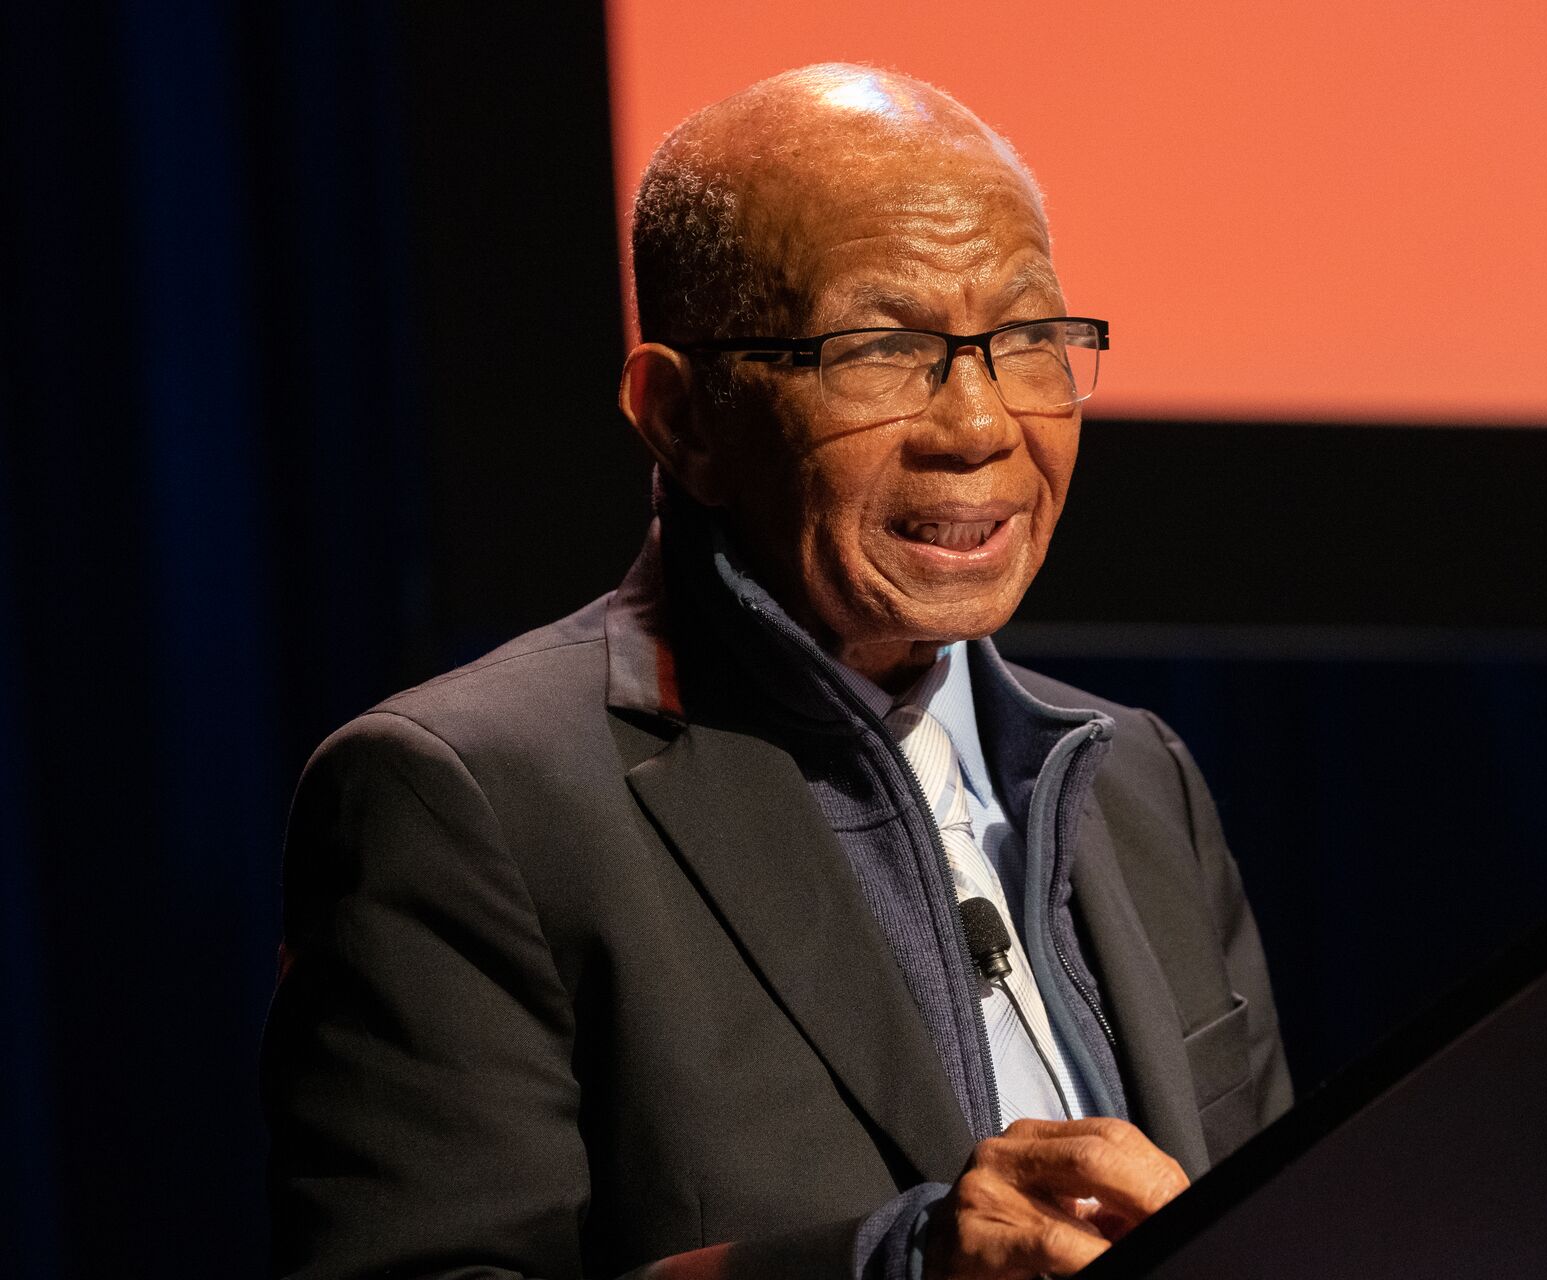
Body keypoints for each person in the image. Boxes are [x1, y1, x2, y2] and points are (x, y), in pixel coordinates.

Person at [262, 64, 1290, 1280]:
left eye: (1026, 340)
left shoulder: (1136, 777)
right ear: (680, 416)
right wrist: (894, 1264)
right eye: (883, 347)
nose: (978, 426)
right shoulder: (468, 798)